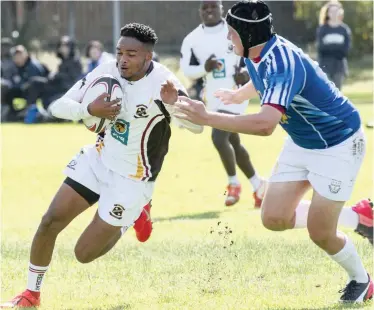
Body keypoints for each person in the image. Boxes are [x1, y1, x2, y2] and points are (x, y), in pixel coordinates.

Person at [174, 1, 373, 303]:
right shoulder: (256, 51)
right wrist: (238, 94)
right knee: (274, 217)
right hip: (301, 140)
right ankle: (360, 218)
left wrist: (207, 117)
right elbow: (260, 79)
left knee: (321, 233)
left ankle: (362, 280)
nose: (228, 38)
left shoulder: (281, 62)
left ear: (248, 34)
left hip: (339, 142)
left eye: (232, 33)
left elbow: (266, 125)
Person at [0, 23, 202, 308]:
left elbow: (197, 128)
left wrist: (174, 106)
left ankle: (134, 214)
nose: (122, 59)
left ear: (148, 57)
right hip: (98, 159)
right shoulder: (107, 70)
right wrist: (87, 110)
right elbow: (59, 106)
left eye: (131, 54)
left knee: (83, 254)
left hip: (133, 179)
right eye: (120, 52)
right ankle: (31, 295)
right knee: (50, 221)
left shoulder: (165, 82)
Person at [180, 0, 265, 207]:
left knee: (219, 137)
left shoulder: (234, 29)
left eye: (213, 6)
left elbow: (256, 55)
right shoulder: (192, 39)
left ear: (221, 9)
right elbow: (187, 70)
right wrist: (204, 67)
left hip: (236, 94)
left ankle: (233, 184)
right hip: (213, 96)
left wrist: (246, 74)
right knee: (233, 142)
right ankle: (259, 186)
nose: (209, 10)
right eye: (204, 8)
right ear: (199, 11)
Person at [25, 36, 83, 123]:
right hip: (56, 87)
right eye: (61, 45)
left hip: (65, 91)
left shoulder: (75, 62)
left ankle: (43, 115)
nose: (62, 47)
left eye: (66, 45)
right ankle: (30, 110)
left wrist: (56, 76)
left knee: (39, 85)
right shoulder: (62, 61)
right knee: (35, 82)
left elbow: (72, 81)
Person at [1, 45, 48, 122]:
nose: (18, 57)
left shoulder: (34, 66)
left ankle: (28, 112)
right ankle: (7, 112)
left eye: (20, 55)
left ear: (26, 55)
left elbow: (37, 83)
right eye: (16, 56)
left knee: (32, 85)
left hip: (35, 92)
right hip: (20, 90)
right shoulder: (13, 67)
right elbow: (9, 80)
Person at [316, 1, 351, 90]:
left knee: (337, 92)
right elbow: (321, 48)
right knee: (325, 92)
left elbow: (345, 50)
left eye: (336, 11)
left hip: (339, 66)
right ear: (327, 13)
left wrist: (331, 47)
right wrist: (336, 48)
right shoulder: (322, 29)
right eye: (332, 11)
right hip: (325, 66)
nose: (334, 14)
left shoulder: (344, 29)